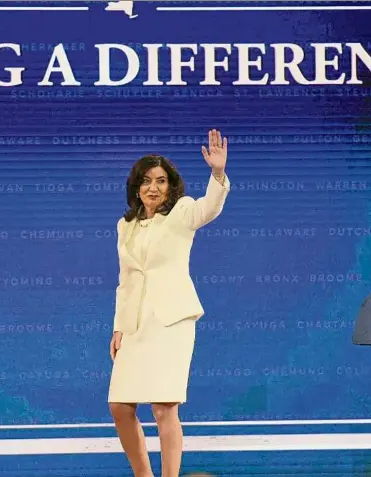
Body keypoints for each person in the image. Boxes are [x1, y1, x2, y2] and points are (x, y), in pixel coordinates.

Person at [107, 129, 230, 477]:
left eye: (161, 181)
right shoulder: (125, 226)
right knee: (119, 405)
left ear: (170, 185)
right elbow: (125, 280)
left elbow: (210, 207)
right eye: (146, 181)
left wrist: (217, 174)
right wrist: (118, 327)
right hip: (135, 324)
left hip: (171, 321)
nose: (153, 188)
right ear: (136, 187)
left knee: (164, 407)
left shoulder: (182, 213)